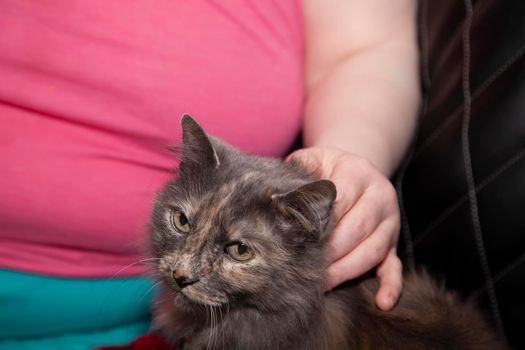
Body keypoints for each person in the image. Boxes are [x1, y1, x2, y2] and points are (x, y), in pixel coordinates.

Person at [0, 1, 419, 349]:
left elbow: (364, 49)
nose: (183, 269)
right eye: (181, 222)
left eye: (236, 252)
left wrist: (351, 158)